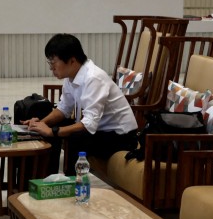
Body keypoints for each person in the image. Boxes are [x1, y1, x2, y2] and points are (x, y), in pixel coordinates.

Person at [24, 34, 138, 176]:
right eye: (50, 63)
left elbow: (89, 124)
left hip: (121, 137)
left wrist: (52, 131)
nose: (51, 68)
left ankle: (71, 184)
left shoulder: (93, 78)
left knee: (76, 137)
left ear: (72, 61)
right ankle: (42, 176)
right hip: (101, 131)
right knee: (47, 121)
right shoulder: (71, 77)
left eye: (54, 63)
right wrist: (40, 124)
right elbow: (63, 110)